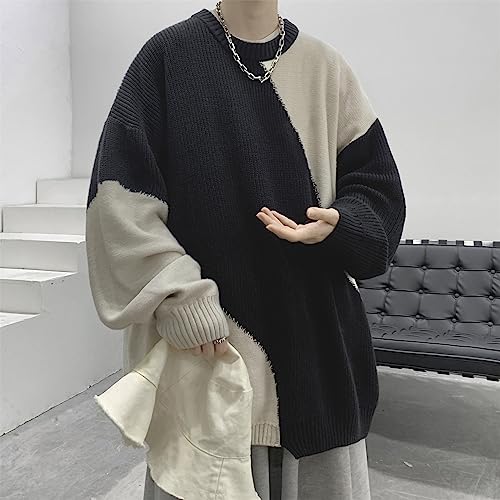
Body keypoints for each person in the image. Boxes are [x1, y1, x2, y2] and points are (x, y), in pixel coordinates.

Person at [86, 1, 406, 499]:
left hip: (318, 355)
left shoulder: (325, 67)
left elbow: (379, 189)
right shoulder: (168, 58)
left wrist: (342, 224)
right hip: (213, 357)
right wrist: (179, 297)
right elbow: (117, 200)